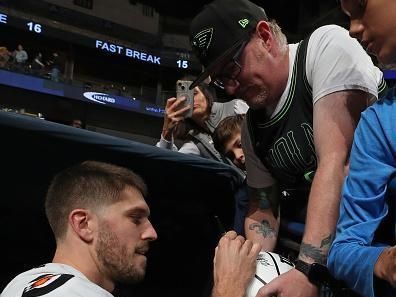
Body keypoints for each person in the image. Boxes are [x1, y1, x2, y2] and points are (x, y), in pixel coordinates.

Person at [189, 0, 386, 296]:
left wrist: (308, 268)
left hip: (377, 242)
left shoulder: (323, 47)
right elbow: (263, 207)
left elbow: (339, 162)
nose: (230, 88)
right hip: (329, 255)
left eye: (232, 68)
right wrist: (251, 261)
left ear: (265, 36)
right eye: (220, 80)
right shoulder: (252, 127)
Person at [0, 160, 260, 297]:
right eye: (135, 218)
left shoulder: (22, 284)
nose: (152, 233)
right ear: (84, 224)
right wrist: (229, 287)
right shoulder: (71, 294)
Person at [327, 1, 396, 297]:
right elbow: (344, 249)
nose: (353, 29)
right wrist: (384, 262)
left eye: (361, 6)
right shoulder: (380, 122)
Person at [157, 78, 248, 163]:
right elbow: (169, 162)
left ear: (205, 94)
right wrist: (167, 132)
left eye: (195, 93)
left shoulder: (236, 107)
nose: (191, 100)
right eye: (185, 97)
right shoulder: (195, 142)